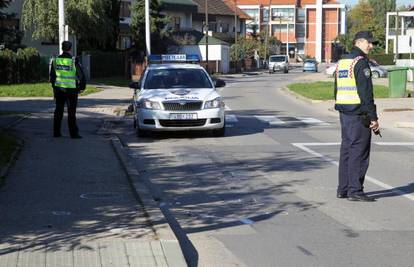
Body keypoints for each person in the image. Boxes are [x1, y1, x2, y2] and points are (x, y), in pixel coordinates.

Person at [334, 31, 380, 202]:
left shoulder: (343, 62)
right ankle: (355, 191)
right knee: (359, 152)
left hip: (345, 112)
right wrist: (373, 118)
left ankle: (343, 189)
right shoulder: (361, 63)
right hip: (358, 114)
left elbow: (336, 89)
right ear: (360, 42)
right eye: (369, 42)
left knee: (346, 150)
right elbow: (366, 94)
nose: (371, 46)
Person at [50, 41, 86, 139]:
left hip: (59, 90)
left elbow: (52, 77)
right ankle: (73, 134)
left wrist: (55, 87)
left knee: (58, 111)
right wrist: (81, 88)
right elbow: (81, 76)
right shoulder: (73, 61)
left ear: (62, 48)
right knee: (71, 112)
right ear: (70, 49)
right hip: (71, 91)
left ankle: (56, 133)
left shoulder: (55, 60)